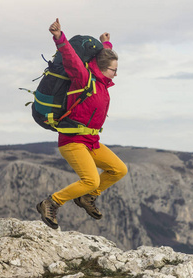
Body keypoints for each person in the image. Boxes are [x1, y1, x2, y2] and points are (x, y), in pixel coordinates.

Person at [36, 18, 128, 230]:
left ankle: (86, 199)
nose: (116, 74)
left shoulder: (102, 83)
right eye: (114, 70)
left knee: (119, 169)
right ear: (104, 69)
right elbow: (70, 58)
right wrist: (59, 38)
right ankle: (50, 203)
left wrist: (106, 45)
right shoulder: (83, 77)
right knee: (91, 180)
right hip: (72, 142)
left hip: (91, 141)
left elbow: (103, 59)